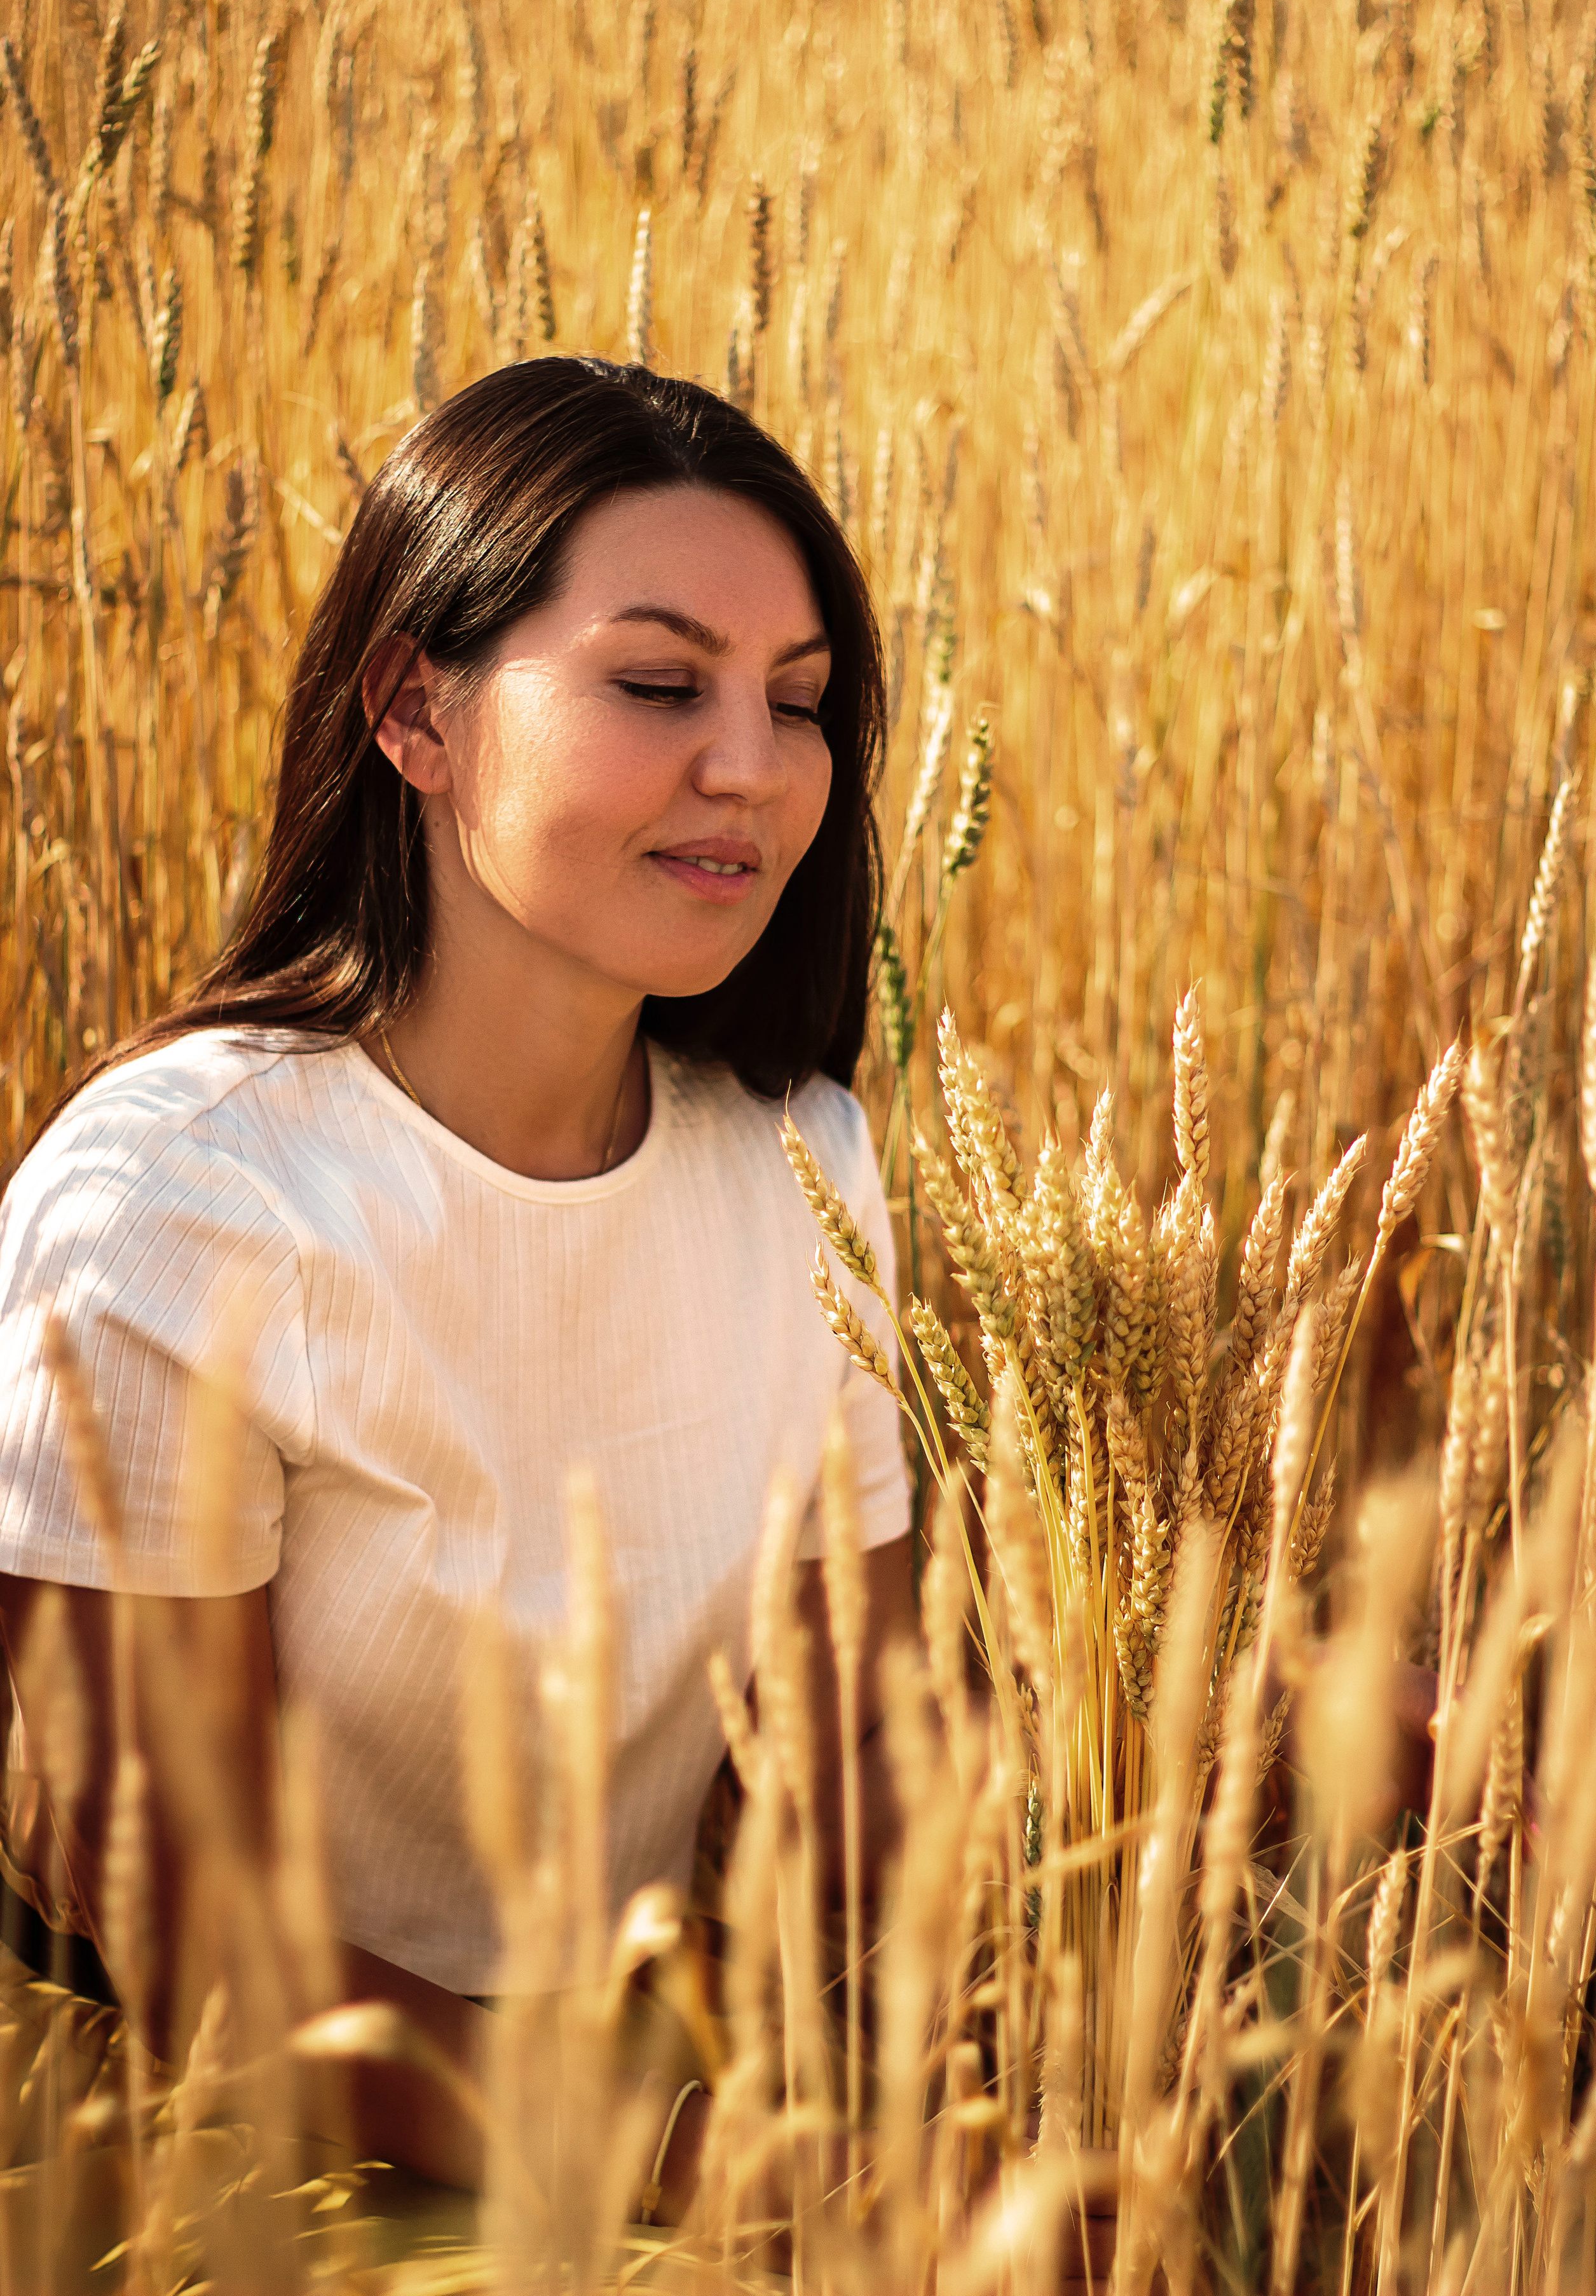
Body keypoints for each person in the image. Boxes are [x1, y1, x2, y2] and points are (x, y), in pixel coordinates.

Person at [0, 357, 916, 2205]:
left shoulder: (801, 1158)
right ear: (416, 710)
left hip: (642, 2098)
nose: (751, 764)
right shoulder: (179, 1203)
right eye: (658, 684)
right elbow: (190, 1938)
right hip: (207, 2154)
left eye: (799, 701)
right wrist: (729, 2176)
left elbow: (866, 1759)